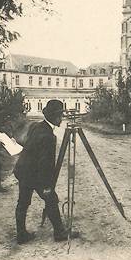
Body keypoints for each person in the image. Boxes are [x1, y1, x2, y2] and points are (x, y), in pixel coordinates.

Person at [14, 99, 80, 244]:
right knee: (51, 199)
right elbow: (45, 165)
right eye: (60, 116)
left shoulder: (36, 126)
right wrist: (47, 186)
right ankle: (60, 233)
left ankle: (21, 235)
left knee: (23, 202)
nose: (62, 119)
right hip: (34, 174)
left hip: (23, 170)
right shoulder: (48, 136)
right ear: (56, 117)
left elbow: (25, 143)